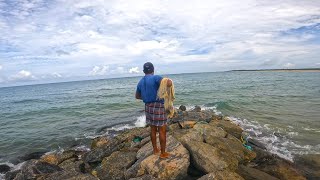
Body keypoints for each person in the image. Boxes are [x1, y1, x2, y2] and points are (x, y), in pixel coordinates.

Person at [135, 62, 172, 159]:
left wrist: (147, 95)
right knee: (162, 130)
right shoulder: (156, 78)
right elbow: (169, 83)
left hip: (148, 107)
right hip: (158, 106)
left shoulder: (140, 82)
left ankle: (155, 149)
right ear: (153, 70)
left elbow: (137, 96)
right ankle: (163, 153)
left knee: (153, 129)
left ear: (143, 71)